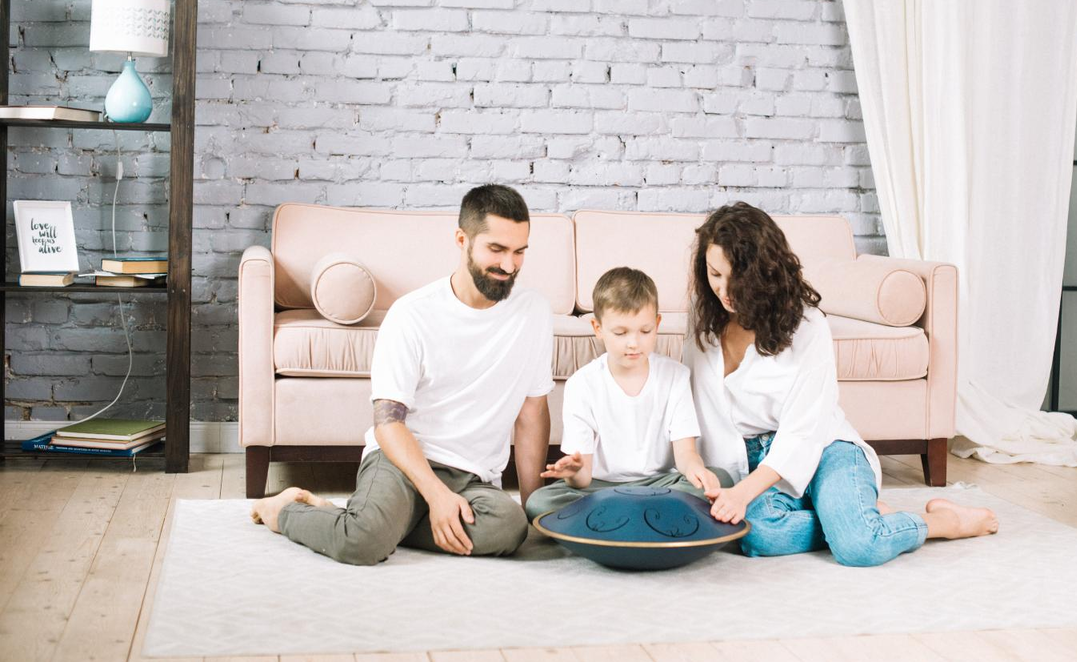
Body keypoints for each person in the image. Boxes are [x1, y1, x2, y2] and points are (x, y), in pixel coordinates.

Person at [250, 185, 554, 564]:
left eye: (519, 251)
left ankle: (377, 521)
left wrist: (533, 507)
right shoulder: (412, 314)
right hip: (402, 463)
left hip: (472, 478)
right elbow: (388, 424)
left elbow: (532, 413)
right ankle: (285, 511)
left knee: (510, 528)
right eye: (496, 249)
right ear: (462, 240)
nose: (509, 265)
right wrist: (437, 496)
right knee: (361, 544)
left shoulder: (534, 312)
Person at [685, 202, 998, 566]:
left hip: (825, 448)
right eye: (715, 274)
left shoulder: (806, 325)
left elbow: (804, 431)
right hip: (754, 460)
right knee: (756, 536)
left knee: (858, 547)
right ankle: (853, 517)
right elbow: (693, 401)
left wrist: (742, 494)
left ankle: (942, 522)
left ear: (762, 272)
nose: (724, 290)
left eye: (736, 277)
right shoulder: (704, 315)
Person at [525, 267, 733, 521]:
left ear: (657, 324)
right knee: (540, 503)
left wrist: (696, 470)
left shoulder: (675, 376)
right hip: (600, 487)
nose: (634, 343)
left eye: (645, 331)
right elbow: (583, 479)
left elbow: (685, 454)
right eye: (620, 333)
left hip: (660, 484)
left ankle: (615, 519)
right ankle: (652, 518)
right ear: (598, 328)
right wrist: (574, 472)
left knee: (722, 479)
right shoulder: (581, 384)